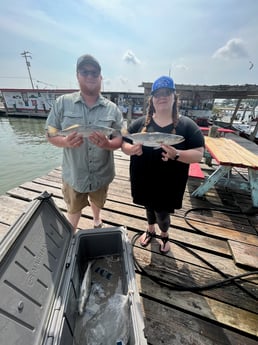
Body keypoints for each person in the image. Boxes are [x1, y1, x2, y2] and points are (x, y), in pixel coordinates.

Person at [121, 76, 204, 254]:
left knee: (162, 213)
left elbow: (199, 153)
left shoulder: (187, 125)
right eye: (157, 94)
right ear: (152, 99)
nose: (162, 97)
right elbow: (123, 141)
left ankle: (164, 234)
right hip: (143, 178)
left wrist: (178, 154)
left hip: (169, 183)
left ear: (175, 97)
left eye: (167, 93)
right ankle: (150, 230)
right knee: (148, 206)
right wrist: (131, 150)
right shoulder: (140, 123)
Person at [46, 54, 123, 231]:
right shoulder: (62, 103)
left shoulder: (113, 108)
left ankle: (97, 219)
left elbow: (119, 136)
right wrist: (65, 142)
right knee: (73, 207)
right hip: (74, 174)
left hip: (101, 173)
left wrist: (108, 145)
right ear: (77, 75)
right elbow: (50, 134)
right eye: (85, 72)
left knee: (97, 200)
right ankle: (71, 232)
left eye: (94, 73)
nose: (90, 76)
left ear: (101, 77)